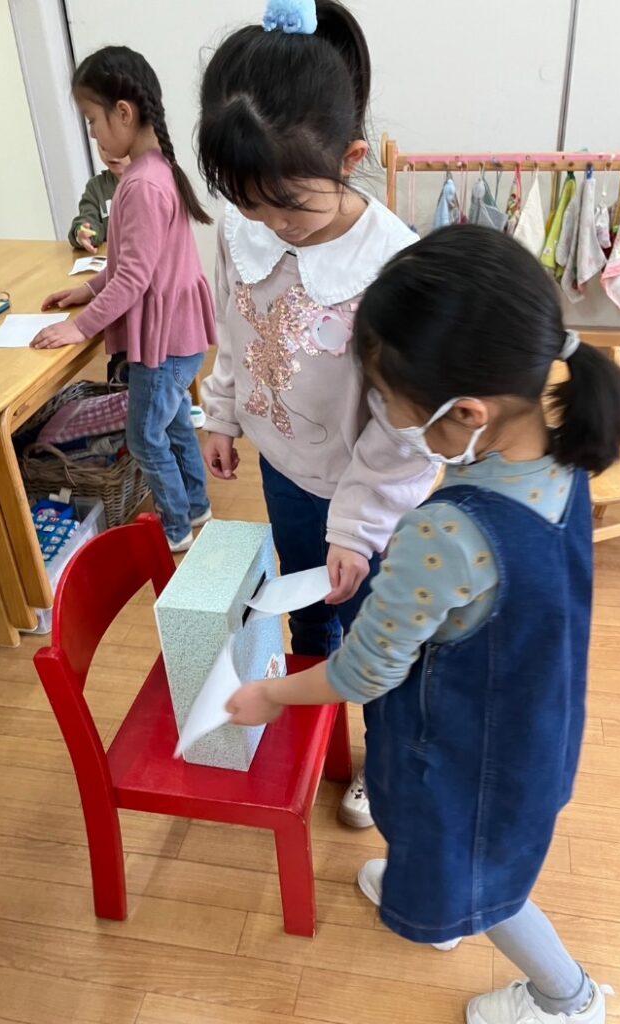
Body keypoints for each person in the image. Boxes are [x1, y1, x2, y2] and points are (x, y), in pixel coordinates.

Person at [226, 225, 620, 1024]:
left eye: (388, 402)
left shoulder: (444, 531)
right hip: (533, 718)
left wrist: (270, 695)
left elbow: (362, 671)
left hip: (462, 752)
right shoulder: (560, 455)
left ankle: (565, 998)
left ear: (467, 411)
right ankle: (440, 891)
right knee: (460, 852)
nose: (382, 415)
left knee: (489, 883)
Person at [198, 0, 436, 828]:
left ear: (350, 159)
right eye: (248, 203)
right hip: (285, 472)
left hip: (370, 499)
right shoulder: (243, 228)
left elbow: (406, 432)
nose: (271, 226)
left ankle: (381, 760)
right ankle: (311, 728)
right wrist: (220, 413)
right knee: (304, 608)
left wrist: (358, 529)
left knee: (374, 636)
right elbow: (233, 327)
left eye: (289, 206)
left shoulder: (392, 266)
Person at [31, 46, 216, 553]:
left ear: (124, 112)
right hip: (179, 338)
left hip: (162, 345)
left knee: (144, 438)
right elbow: (127, 263)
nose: (93, 134)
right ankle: (196, 505)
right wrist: (86, 290)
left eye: (93, 121)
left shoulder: (140, 185)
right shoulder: (156, 171)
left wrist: (80, 326)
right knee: (173, 425)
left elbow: (132, 277)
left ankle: (175, 529)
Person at [68, 143, 130, 253]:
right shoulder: (96, 187)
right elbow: (87, 218)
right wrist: (83, 233)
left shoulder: (155, 182)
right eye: (103, 145)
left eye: (119, 145)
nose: (111, 153)